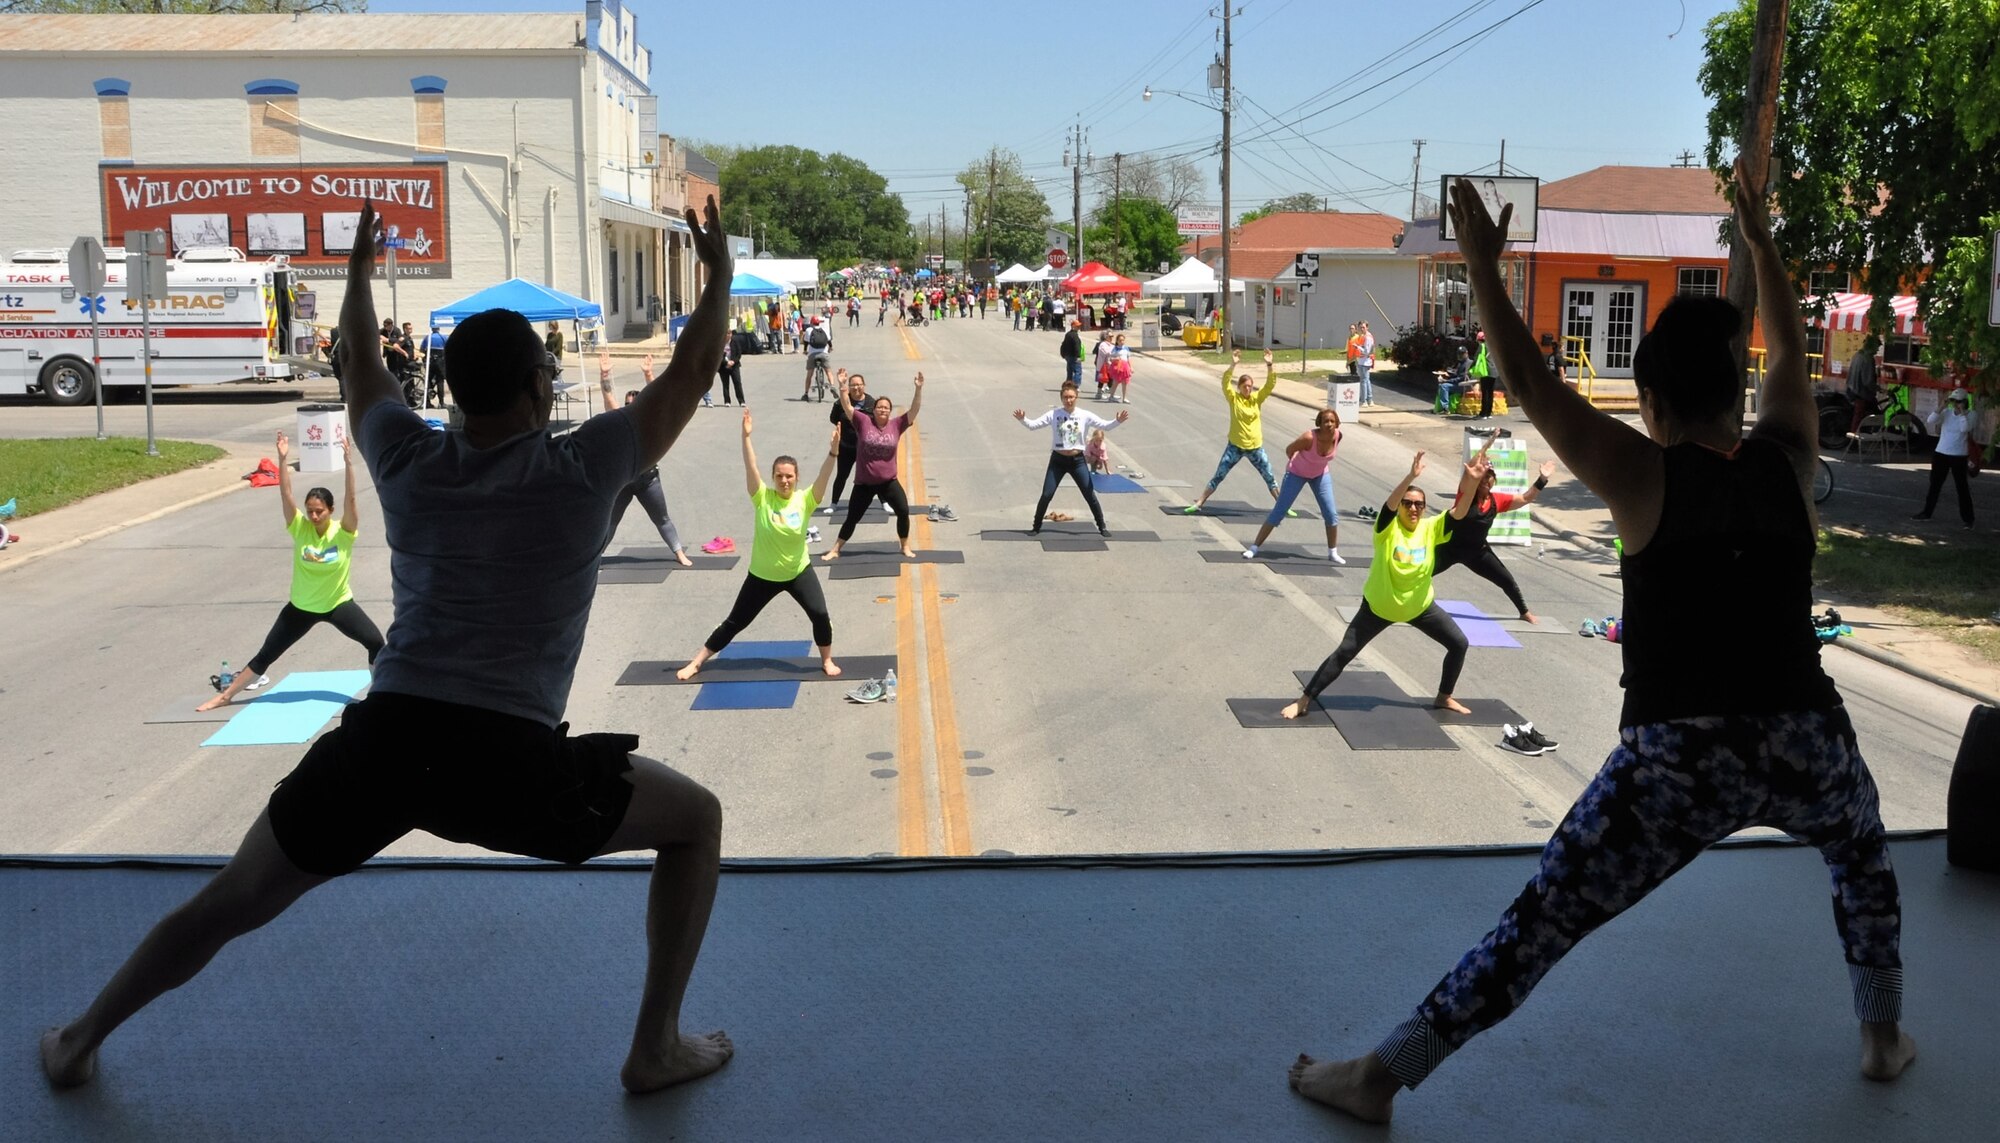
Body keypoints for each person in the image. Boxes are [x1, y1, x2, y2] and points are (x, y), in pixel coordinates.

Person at [45, 196, 740, 1096]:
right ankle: (655, 1046)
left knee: (231, 901)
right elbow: (688, 375)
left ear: (452, 390)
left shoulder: (408, 457)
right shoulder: (583, 464)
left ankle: (80, 1038)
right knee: (698, 823)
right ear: (539, 390)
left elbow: (362, 365)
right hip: (508, 765)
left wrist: (361, 272)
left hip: (385, 744)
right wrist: (717, 276)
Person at [1287, 169, 1913, 1123]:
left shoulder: (1639, 472)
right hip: (1805, 738)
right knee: (1861, 851)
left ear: (1651, 401)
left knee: (1543, 919)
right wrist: (1763, 239)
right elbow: (1790, 347)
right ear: (1735, 395)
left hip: (1679, 759)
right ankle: (1880, 1038)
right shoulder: (1789, 458)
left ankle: (1380, 1077)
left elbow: (1532, 384)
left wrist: (1489, 269)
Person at [1280, 449, 1478, 722]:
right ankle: (1303, 700)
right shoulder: (1387, 529)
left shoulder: (1431, 528)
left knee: (1459, 643)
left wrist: (1473, 483)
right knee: (1344, 652)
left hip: (1419, 607)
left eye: (1418, 504)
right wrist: (1411, 476)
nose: (1413, 509)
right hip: (1379, 607)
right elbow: (1388, 506)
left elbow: (1459, 513)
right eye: (1408, 503)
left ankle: (1444, 696)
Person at [195, 429, 386, 712]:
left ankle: (380, 694)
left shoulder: (343, 532)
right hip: (301, 607)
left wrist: (348, 464)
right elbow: (285, 494)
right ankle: (225, 697)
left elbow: (352, 501)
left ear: (330, 510)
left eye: (319, 511)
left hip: (338, 605)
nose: (313, 515)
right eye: (310, 510)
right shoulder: (300, 529)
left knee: (376, 643)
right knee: (266, 654)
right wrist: (283, 459)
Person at [676, 411, 841, 680]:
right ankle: (696, 662)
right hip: (762, 576)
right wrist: (746, 437)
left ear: (796, 477)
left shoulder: (805, 500)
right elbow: (750, 466)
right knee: (735, 622)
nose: (784, 481)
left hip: (798, 572)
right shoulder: (762, 497)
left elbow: (824, 477)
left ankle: (827, 659)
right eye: (779, 476)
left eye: (789, 476)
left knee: (820, 614)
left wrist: (833, 453)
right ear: (773, 478)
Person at [1434, 429, 1552, 622]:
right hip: (1450, 547)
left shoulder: (1496, 500)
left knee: (1507, 580)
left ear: (1493, 480)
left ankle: (1525, 613)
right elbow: (1471, 467)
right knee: (1421, 572)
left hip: (1478, 553)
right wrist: (1487, 445)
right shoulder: (1465, 494)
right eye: (1482, 476)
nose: (1485, 480)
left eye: (1489, 477)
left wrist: (1542, 479)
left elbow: (1525, 498)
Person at [823, 373, 923, 562]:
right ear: (874, 410)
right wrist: (843, 386)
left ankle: (905, 546)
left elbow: (915, 410)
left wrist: (918, 389)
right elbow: (847, 406)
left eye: (886, 408)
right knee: (852, 517)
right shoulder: (863, 422)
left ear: (890, 411)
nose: (882, 410)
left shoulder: (897, 425)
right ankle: (836, 548)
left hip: (888, 482)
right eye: (879, 407)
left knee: (903, 510)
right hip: (864, 483)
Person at [1015, 382, 1130, 536]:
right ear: (1061, 398)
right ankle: (1036, 526)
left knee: (1089, 494)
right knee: (1047, 494)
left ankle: (1102, 526)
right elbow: (1033, 425)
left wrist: (1117, 421)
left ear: (1077, 397)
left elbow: (1105, 425)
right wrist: (1023, 419)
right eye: (1065, 397)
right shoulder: (1054, 414)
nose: (1068, 400)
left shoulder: (1084, 415)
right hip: (1058, 461)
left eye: (1071, 397)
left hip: (1077, 461)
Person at [1185, 348, 1285, 514]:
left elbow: (1270, 385)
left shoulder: (1256, 399)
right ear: (1239, 387)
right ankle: (1199, 503)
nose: (1248, 389)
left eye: (1251, 387)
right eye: (1245, 386)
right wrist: (1233, 364)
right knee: (1219, 474)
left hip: (1255, 447)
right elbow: (1225, 382)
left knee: (1269, 475)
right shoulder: (1234, 398)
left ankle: (1282, 507)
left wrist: (1269, 365)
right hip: (1235, 446)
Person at [1243, 407, 1344, 563]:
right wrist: (1295, 464)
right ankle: (1254, 548)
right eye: (1325, 421)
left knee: (1331, 514)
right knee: (1279, 511)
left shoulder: (1338, 436)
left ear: (1337, 423)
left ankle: (1333, 552)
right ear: (1319, 423)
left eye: (1332, 421)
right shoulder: (1309, 438)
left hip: (1320, 474)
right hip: (1297, 473)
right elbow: (1289, 449)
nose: (1329, 424)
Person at [607, 390, 693, 567]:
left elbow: (661, 400)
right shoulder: (621, 424)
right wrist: (604, 378)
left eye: (633, 404)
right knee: (611, 522)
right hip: (624, 482)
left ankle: (679, 553)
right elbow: (609, 402)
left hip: (648, 482)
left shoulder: (650, 424)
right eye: (626, 404)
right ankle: (593, 559)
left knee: (662, 519)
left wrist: (648, 376)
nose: (629, 408)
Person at [1912, 388, 1975, 528]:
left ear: (1964, 402)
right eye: (1954, 401)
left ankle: (1968, 519)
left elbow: (1965, 428)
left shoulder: (1971, 415)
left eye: (1958, 401)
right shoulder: (1946, 413)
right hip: (1941, 453)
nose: (1955, 404)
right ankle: (1926, 513)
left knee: (1962, 487)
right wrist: (1941, 406)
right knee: (1935, 484)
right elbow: (1930, 420)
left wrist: (1962, 413)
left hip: (1959, 455)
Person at [824, 371, 870, 515]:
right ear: (849, 387)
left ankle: (885, 502)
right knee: (842, 475)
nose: (856, 388)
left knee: (873, 475)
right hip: (846, 446)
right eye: (853, 385)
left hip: (865, 447)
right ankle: (834, 503)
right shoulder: (841, 402)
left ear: (864, 386)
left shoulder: (871, 403)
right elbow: (833, 418)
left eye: (859, 385)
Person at [1845, 337, 1880, 435]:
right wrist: (1879, 389)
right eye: (1877, 347)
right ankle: (1854, 439)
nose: (1877, 350)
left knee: (1867, 412)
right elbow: (1867, 382)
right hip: (1861, 393)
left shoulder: (1857, 355)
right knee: (1859, 417)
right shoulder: (1868, 359)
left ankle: (1864, 434)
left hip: (1851, 389)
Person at [801, 316, 832, 399]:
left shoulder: (808, 330)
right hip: (823, 353)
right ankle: (832, 386)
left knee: (809, 374)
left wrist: (805, 350)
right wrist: (830, 348)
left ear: (811, 323)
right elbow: (829, 341)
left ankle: (806, 393)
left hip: (812, 354)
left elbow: (806, 342)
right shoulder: (824, 330)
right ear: (819, 323)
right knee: (828, 371)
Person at [1470, 331, 1499, 418]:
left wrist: (1470, 368)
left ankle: (1483, 413)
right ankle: (1489, 413)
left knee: (1485, 392)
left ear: (1479, 339)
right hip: (1494, 370)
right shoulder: (1492, 345)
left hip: (1485, 370)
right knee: (1490, 392)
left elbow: (1476, 358)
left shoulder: (1481, 346)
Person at [713, 328, 744, 407]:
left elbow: (739, 353)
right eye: (727, 334)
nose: (728, 335)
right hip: (724, 366)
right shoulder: (720, 343)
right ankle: (727, 401)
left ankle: (741, 401)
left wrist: (733, 361)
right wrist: (726, 362)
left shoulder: (735, 342)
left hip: (734, 365)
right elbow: (719, 355)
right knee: (725, 384)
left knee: (737, 383)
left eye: (729, 334)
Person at [1356, 320, 1377, 408]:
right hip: (1362, 360)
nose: (1362, 329)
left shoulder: (1367, 337)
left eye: (1363, 327)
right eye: (1360, 327)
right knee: (1366, 380)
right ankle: (1370, 399)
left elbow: (1366, 351)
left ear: (1367, 327)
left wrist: (1357, 347)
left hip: (1365, 361)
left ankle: (1364, 401)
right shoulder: (1363, 336)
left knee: (1363, 381)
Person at [1109, 334, 1133, 404]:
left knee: (1125, 383)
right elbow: (1111, 358)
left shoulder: (1126, 348)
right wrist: (1115, 359)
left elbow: (1128, 358)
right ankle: (1111, 396)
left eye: (1123, 340)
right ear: (1117, 341)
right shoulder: (1115, 349)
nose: (1122, 342)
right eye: (1120, 340)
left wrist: (1131, 367)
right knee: (1115, 382)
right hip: (1117, 367)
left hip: (1125, 367)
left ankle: (1124, 398)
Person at [1060, 319, 1085, 385]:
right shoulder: (1074, 336)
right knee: (1077, 371)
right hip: (1074, 356)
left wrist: (1063, 354)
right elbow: (1076, 346)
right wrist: (1078, 356)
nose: (1079, 327)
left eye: (1079, 326)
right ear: (1073, 326)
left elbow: (1063, 344)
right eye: (1077, 326)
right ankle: (1076, 385)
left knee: (1070, 371)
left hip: (1068, 356)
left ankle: (1068, 384)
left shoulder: (1068, 334)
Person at [1091, 330, 1115, 399]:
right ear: (1106, 337)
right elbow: (1107, 353)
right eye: (1110, 336)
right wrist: (1114, 354)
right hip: (1102, 366)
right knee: (1102, 379)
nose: (1111, 338)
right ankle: (1099, 393)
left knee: (1110, 379)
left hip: (1109, 365)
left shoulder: (1111, 345)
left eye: (1112, 336)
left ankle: (1111, 394)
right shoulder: (1102, 344)